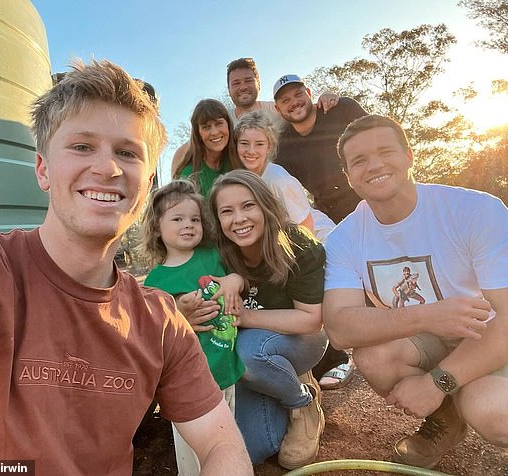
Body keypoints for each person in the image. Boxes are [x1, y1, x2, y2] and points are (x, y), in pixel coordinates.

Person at [0, 59, 253, 475]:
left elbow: (221, 441)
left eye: (127, 153)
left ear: (146, 188)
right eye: (82, 146)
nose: (107, 168)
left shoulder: (160, 322)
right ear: (43, 169)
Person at [323, 114, 508, 469]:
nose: (373, 165)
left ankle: (460, 396)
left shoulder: (474, 210)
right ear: (348, 176)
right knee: (374, 356)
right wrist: (429, 316)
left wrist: (437, 382)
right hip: (430, 334)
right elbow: (339, 326)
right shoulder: (345, 238)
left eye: (384, 151)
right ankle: (446, 422)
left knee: (490, 409)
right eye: (358, 160)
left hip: (488, 334)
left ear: (409, 155)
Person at [208, 170, 327, 470]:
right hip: (248, 350)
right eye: (227, 211)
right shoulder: (218, 253)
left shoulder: (295, 243)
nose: (239, 219)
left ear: (265, 205)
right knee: (253, 450)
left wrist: (246, 316)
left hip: (300, 340)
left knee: (249, 353)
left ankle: (304, 402)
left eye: (248, 206)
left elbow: (311, 320)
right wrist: (232, 279)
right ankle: (278, 380)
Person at [141, 179, 246, 476]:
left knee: (226, 437)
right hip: (185, 380)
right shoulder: (156, 281)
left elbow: (238, 279)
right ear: (157, 228)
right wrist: (177, 310)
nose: (188, 225)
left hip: (224, 364)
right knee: (190, 451)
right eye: (177, 219)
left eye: (194, 219)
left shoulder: (211, 256)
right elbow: (153, 331)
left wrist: (233, 281)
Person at [273, 72, 369, 388]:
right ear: (278, 109)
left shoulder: (340, 110)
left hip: (367, 199)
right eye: (285, 100)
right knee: (333, 277)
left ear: (310, 93)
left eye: (298, 94)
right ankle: (338, 355)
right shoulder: (284, 143)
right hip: (329, 210)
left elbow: (375, 136)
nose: (294, 102)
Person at [171, 57, 340, 174]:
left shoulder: (278, 111)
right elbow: (187, 149)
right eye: (236, 83)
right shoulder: (223, 123)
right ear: (229, 89)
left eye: (248, 80)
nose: (243, 86)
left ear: (258, 83)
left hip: (279, 188)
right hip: (243, 192)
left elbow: (307, 112)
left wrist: (326, 95)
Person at [234, 110, 335, 242]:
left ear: (269, 147)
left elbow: (306, 224)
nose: (251, 151)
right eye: (244, 143)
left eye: (259, 144)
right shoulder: (248, 178)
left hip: (321, 240)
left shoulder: (278, 179)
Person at [171, 99, 241, 197]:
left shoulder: (240, 159)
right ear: (198, 134)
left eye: (219, 123)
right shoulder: (189, 176)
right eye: (207, 127)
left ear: (228, 125)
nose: (215, 132)